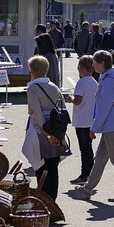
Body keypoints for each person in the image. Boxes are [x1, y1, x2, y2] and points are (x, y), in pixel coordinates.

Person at [73, 50, 114, 203]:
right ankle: (88, 188)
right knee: (100, 158)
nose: (93, 65)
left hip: (111, 126)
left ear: (102, 64)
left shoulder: (108, 82)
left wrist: (93, 128)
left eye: (95, 63)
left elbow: (103, 108)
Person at [22, 55, 65, 201]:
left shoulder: (33, 88)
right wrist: (60, 134)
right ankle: (53, 201)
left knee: (41, 167)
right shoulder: (54, 87)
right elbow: (63, 110)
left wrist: (46, 133)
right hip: (57, 128)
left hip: (40, 130)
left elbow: (36, 112)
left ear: (32, 71)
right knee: (53, 167)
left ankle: (44, 201)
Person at [66, 56, 98, 185]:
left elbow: (78, 100)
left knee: (84, 148)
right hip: (90, 119)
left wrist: (70, 99)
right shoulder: (94, 82)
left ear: (82, 68)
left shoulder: (81, 82)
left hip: (81, 120)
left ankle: (85, 174)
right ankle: (88, 174)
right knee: (88, 148)